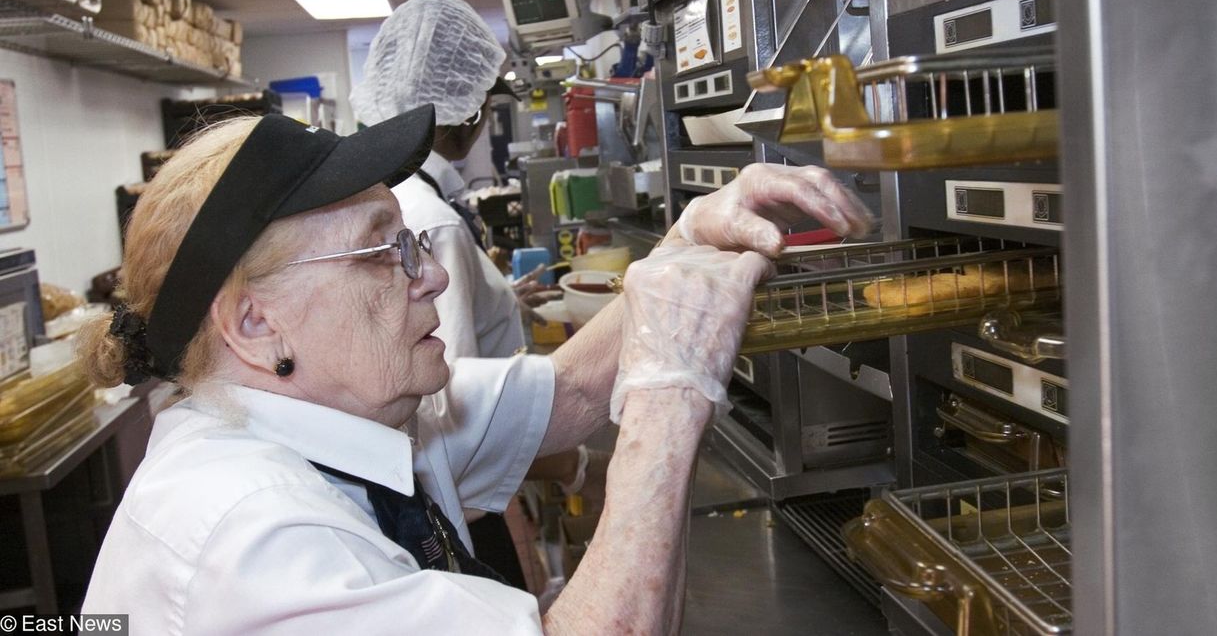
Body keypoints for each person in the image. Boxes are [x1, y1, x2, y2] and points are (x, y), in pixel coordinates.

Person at [77, 104, 873, 633]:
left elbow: (571, 390)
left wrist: (693, 237)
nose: (432, 275)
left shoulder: (350, 416)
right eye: (384, 248)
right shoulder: (250, 546)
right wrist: (671, 396)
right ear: (255, 322)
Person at [350, 0, 570, 589]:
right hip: (461, 489)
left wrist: (504, 302)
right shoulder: (434, 219)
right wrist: (573, 467)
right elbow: (451, 386)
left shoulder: (393, 193)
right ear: (467, 114)